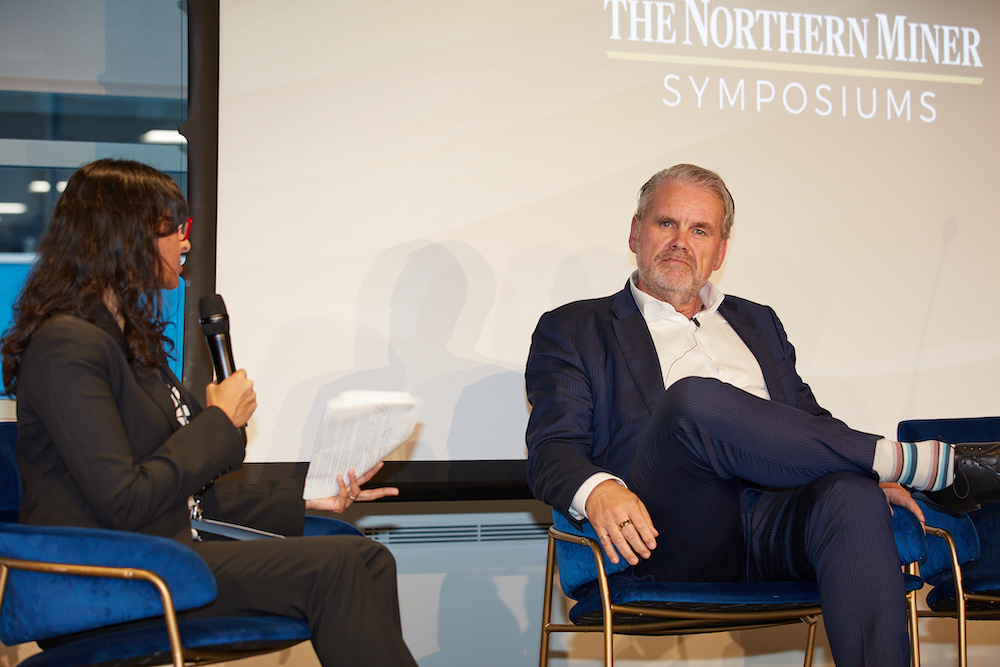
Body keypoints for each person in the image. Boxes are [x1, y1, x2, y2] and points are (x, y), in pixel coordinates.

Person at [524, 163, 1000, 667]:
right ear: (635, 233)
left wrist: (866, 474)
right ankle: (916, 463)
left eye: (700, 230)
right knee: (692, 400)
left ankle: (892, 466)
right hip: (673, 534)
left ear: (720, 251)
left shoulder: (758, 321)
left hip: (778, 526)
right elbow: (552, 450)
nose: (681, 242)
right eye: (666, 223)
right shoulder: (576, 327)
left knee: (852, 495)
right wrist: (598, 489)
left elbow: (808, 419)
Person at [1, 158, 418, 667]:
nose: (186, 242)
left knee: (368, 558)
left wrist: (308, 496)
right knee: (339, 567)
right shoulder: (66, 346)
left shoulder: (131, 345)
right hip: (107, 579)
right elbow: (126, 501)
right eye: (174, 228)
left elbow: (184, 492)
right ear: (123, 236)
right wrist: (219, 422)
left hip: (166, 555)